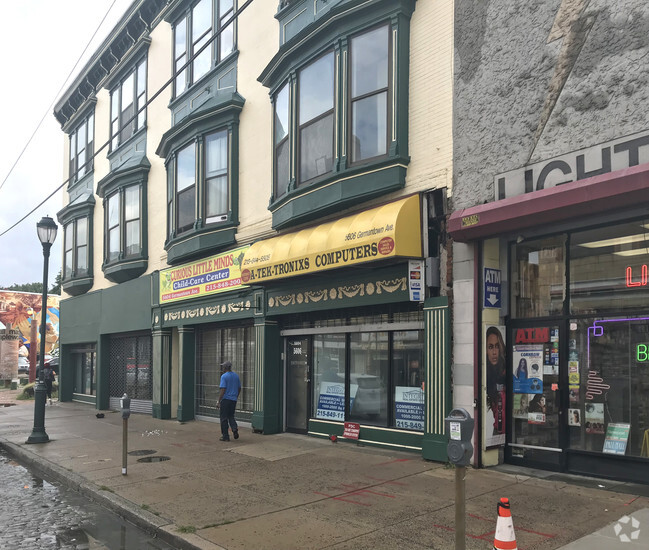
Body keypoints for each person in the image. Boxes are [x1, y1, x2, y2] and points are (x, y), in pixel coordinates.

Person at [486, 326, 506, 435]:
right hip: (497, 430)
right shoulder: (486, 377)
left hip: (509, 428)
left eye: (497, 346)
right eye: (490, 347)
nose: (494, 352)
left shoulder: (506, 372)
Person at [217, 360, 241, 442]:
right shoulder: (236, 376)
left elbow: (223, 389)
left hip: (226, 400)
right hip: (233, 400)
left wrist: (218, 401)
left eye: (223, 366)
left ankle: (225, 436)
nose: (222, 368)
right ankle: (234, 429)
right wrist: (235, 396)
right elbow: (239, 388)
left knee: (224, 418)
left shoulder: (224, 376)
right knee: (231, 416)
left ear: (225, 367)